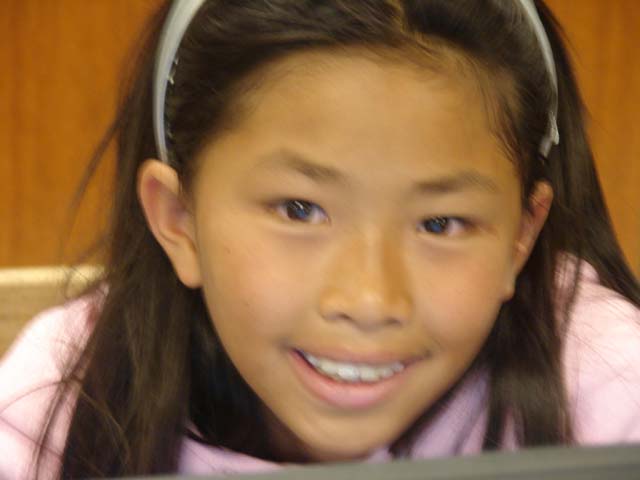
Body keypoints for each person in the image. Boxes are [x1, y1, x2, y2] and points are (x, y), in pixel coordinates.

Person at [1, 0, 639, 477]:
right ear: (179, 219)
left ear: (522, 236)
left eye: (440, 224)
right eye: (300, 210)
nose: (369, 300)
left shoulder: (610, 385)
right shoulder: (61, 396)